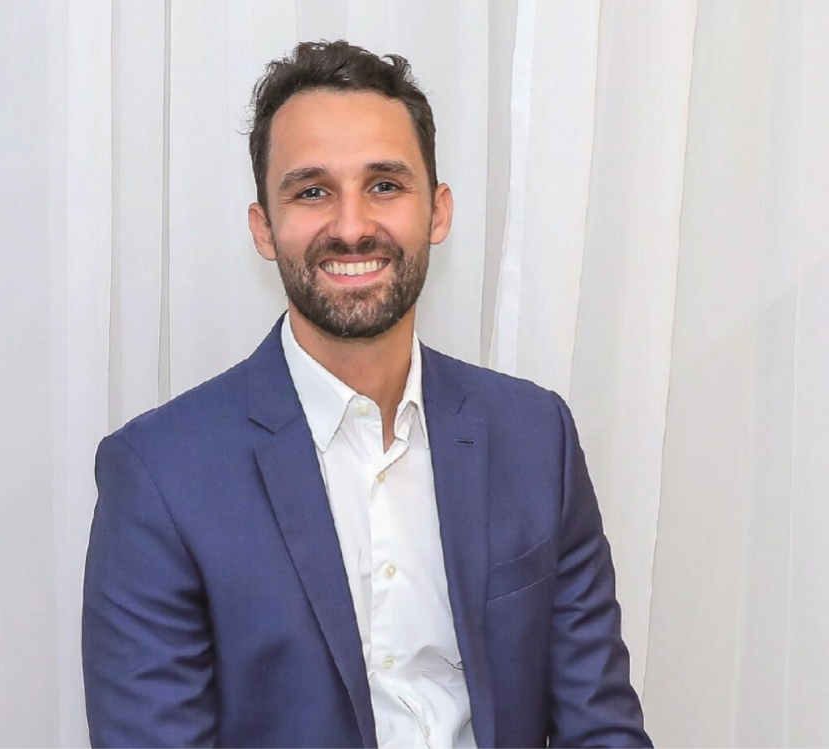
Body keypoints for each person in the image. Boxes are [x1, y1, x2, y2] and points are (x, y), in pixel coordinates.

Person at [82, 39, 653, 749]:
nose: (351, 227)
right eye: (312, 191)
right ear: (264, 227)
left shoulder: (537, 437)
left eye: (384, 185)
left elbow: (601, 727)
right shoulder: (160, 476)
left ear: (437, 212)